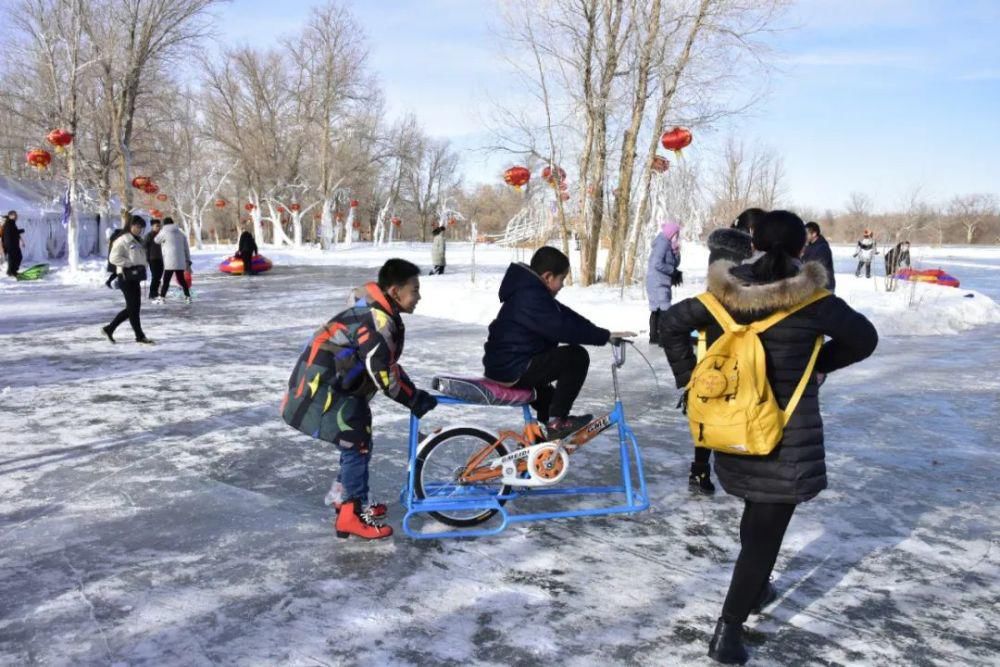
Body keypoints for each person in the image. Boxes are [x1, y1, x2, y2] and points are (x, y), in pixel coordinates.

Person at [659, 210, 877, 664]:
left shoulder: (724, 292)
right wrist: (819, 365)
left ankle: (755, 587)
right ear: (802, 248)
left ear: (753, 242)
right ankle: (729, 629)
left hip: (731, 429)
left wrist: (691, 378)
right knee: (764, 535)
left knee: (757, 515)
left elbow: (669, 327)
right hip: (785, 436)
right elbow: (864, 339)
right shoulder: (813, 299)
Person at [281, 259, 438, 540]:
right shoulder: (377, 321)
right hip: (323, 389)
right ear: (394, 291)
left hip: (334, 386)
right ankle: (350, 515)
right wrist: (414, 399)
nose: (419, 297)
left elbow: (383, 363)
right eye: (414, 289)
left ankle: (347, 502)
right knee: (356, 443)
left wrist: (413, 392)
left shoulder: (379, 313)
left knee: (356, 440)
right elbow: (384, 376)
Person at [482, 246, 635, 440]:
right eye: (561, 279)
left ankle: (540, 445)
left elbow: (565, 316)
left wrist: (603, 332)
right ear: (548, 277)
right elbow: (563, 328)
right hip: (513, 368)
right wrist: (602, 337)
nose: (562, 285)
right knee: (576, 357)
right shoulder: (531, 297)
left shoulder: (530, 291)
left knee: (548, 399)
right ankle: (557, 423)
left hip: (505, 365)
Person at [102, 216, 153, 345]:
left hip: (135, 277)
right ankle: (139, 336)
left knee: (133, 308)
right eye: (137, 226)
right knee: (133, 308)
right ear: (130, 225)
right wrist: (129, 264)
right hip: (125, 277)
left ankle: (110, 329)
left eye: (141, 227)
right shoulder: (123, 240)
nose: (139, 229)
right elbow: (113, 258)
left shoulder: (138, 240)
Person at [646, 220, 681, 345]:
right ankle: (661, 338)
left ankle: (655, 337)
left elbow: (674, 263)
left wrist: (676, 252)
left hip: (659, 281)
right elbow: (657, 263)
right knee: (663, 309)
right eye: (676, 234)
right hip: (657, 282)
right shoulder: (662, 243)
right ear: (671, 233)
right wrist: (672, 271)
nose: (677, 236)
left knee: (658, 308)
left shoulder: (667, 244)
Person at [155, 217, 192, 302]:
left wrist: (160, 232)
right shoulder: (181, 233)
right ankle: (187, 296)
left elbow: (156, 240)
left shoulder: (164, 232)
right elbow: (186, 248)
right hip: (180, 260)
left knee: (166, 280)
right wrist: (188, 260)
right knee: (181, 279)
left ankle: (162, 297)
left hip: (169, 261)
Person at [802, 221, 836, 291]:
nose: (804, 236)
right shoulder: (809, 246)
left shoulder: (823, 248)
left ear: (814, 234)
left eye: (806, 233)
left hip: (825, 287)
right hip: (813, 286)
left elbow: (818, 267)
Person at [1, 210, 25, 277]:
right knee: (13, 258)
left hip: (13, 244)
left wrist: (20, 236)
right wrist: (21, 231)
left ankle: (12, 271)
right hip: (10, 244)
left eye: (16, 215)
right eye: (15, 215)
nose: (16, 216)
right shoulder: (9, 223)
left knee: (17, 257)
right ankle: (11, 272)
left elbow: (14, 232)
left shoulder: (11, 222)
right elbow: (10, 233)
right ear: (10, 216)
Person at [144, 219, 164, 300]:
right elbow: (144, 247)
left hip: (161, 258)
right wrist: (146, 258)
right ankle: (152, 293)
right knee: (155, 276)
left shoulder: (162, 235)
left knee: (159, 276)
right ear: (152, 226)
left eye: (159, 226)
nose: (158, 227)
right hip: (152, 258)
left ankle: (155, 292)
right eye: (157, 226)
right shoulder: (149, 235)